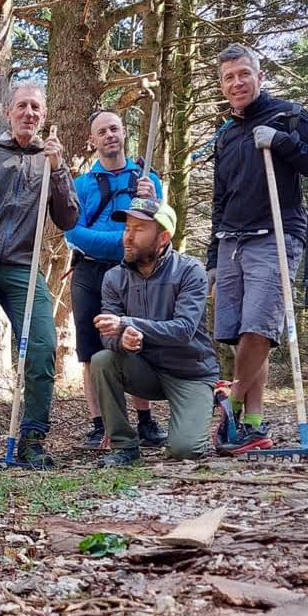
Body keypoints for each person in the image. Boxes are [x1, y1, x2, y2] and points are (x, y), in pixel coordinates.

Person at [208, 43, 308, 455]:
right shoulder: (225, 134)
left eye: (244, 74)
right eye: (229, 77)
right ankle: (253, 424)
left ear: (259, 77)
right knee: (240, 334)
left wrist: (283, 142)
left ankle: (230, 399)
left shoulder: (289, 116)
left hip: (276, 234)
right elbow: (219, 198)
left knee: (259, 327)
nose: (237, 82)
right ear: (222, 84)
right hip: (231, 241)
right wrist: (212, 256)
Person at [0, 82, 79, 468]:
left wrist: (59, 170)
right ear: (8, 112)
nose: (30, 113)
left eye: (37, 108)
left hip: (23, 266)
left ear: (44, 116)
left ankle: (32, 439)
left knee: (43, 346)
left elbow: (68, 218)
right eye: (22, 106)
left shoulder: (49, 157)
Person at [64, 109, 168, 450]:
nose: (109, 135)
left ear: (123, 133)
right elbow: (71, 231)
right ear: (92, 141)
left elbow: (156, 226)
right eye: (102, 131)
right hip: (88, 272)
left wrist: (150, 199)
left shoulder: (146, 178)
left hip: (133, 271)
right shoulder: (80, 185)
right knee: (90, 350)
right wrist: (119, 241)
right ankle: (100, 424)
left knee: (134, 338)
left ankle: (145, 421)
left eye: (114, 128)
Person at [90, 197, 217, 467]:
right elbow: (108, 335)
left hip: (190, 373)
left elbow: (183, 330)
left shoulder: (190, 271)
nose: (128, 237)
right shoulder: (114, 278)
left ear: (163, 237)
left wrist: (127, 323)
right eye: (127, 229)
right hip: (146, 371)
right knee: (102, 360)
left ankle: (207, 406)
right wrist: (123, 341)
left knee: (186, 449)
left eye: (139, 229)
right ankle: (125, 447)